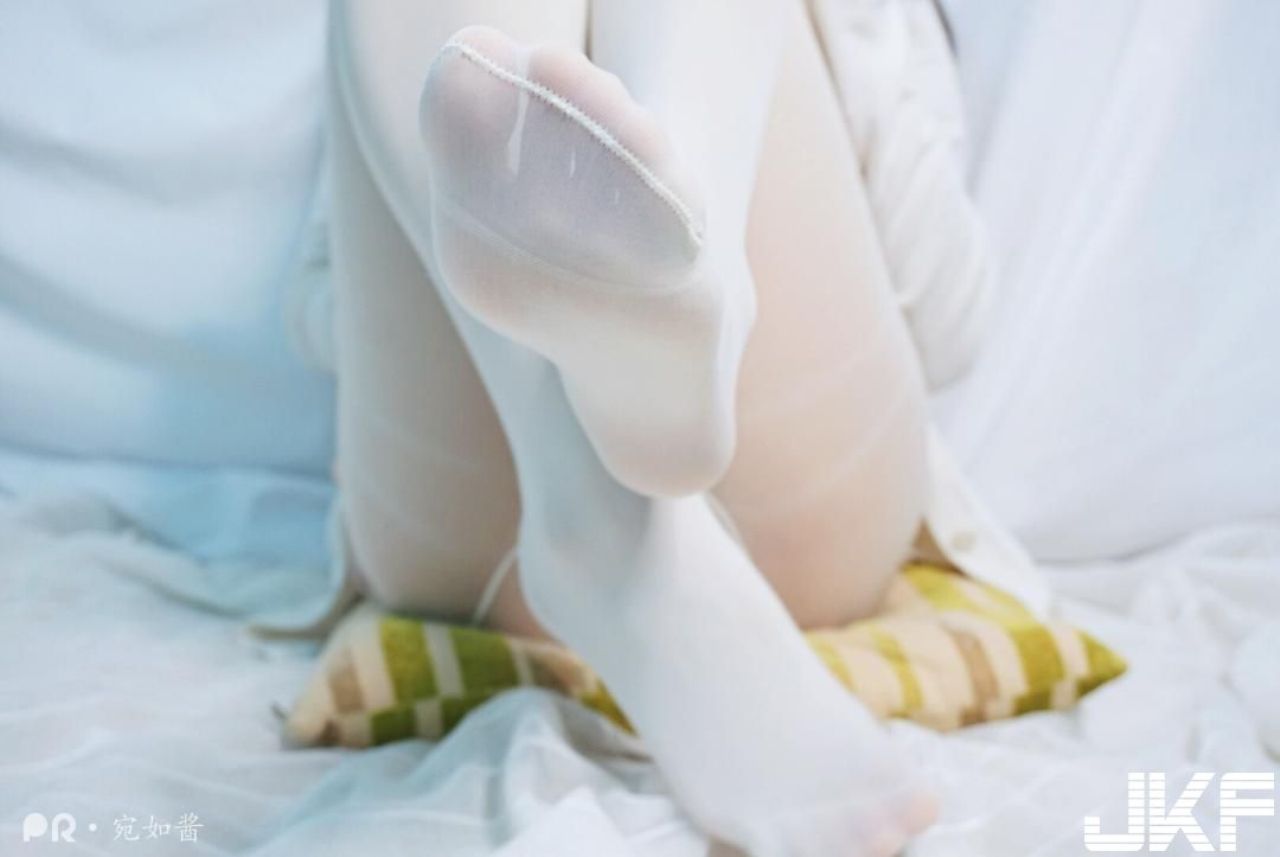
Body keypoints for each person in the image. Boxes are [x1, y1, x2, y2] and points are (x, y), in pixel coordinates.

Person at [326, 0, 1005, 853]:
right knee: (470, 91)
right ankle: (619, 465)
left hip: (473, 545)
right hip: (532, 524)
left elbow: (950, 320)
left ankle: (667, 347)